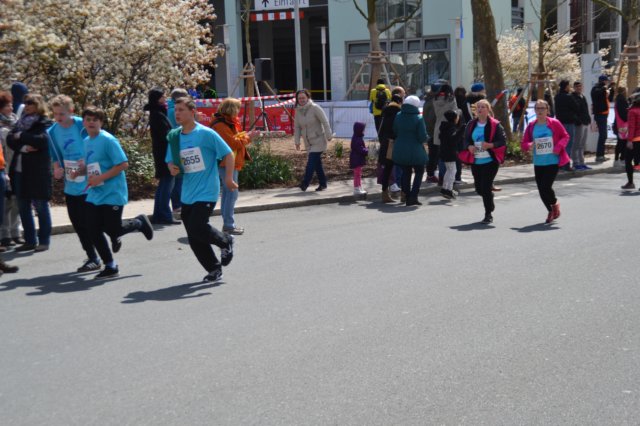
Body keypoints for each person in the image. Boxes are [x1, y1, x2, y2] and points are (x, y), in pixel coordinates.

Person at [73, 106, 154, 279]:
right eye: (88, 119)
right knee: (92, 228)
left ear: (101, 122)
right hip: (95, 192)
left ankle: (139, 223)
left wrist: (100, 177)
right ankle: (110, 265)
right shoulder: (86, 141)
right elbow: (91, 165)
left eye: (95, 119)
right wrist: (78, 172)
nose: (91, 122)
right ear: (84, 122)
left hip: (113, 192)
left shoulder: (108, 140)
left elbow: (123, 164)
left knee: (113, 228)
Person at [166, 97, 236, 283]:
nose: (177, 113)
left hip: (207, 190)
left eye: (181, 110)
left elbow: (228, 154)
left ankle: (225, 241)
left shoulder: (206, 134)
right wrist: (172, 167)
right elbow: (170, 160)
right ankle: (214, 269)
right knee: (193, 236)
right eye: (176, 110)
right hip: (187, 192)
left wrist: (228, 178)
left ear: (192, 112)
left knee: (198, 226)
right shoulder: (174, 136)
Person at [47, 95, 102, 272]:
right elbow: (55, 154)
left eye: (61, 114)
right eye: (55, 114)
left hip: (90, 181)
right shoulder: (52, 132)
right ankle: (92, 257)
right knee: (77, 223)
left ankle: (102, 253)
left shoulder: (81, 125)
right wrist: (57, 167)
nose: (58, 117)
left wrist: (87, 161)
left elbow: (97, 142)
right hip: (71, 183)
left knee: (92, 222)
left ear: (71, 111)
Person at [6, 94, 53, 252]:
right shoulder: (21, 121)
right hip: (20, 171)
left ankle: (44, 241)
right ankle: (30, 240)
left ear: (38, 105)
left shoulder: (44, 122)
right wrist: (23, 147)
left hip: (38, 172)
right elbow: (10, 139)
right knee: (23, 206)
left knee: (40, 206)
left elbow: (41, 140)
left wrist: (22, 136)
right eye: (25, 103)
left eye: (30, 103)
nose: (26, 106)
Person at [521, 100, 570, 224]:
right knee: (541, 189)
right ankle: (551, 210)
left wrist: (558, 147)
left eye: (542, 108)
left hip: (552, 160)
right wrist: (529, 145)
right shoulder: (531, 126)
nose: (540, 111)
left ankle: (554, 205)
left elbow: (565, 136)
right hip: (538, 162)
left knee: (545, 186)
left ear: (547, 110)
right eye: (537, 108)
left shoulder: (554, 123)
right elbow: (524, 143)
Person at [211, 97, 253, 235]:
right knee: (231, 193)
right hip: (227, 163)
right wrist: (249, 137)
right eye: (238, 108)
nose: (239, 111)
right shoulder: (221, 125)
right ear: (232, 109)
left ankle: (228, 223)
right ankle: (228, 225)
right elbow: (233, 143)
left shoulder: (227, 122)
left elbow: (235, 139)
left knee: (229, 193)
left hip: (229, 162)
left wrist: (244, 137)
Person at [463, 99, 506, 224]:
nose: (480, 109)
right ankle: (489, 197)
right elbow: (465, 139)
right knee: (479, 189)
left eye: (483, 107)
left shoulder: (495, 125)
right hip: (476, 161)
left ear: (488, 110)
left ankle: (488, 214)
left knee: (485, 188)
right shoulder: (471, 124)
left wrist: (490, 145)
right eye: (478, 107)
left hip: (490, 161)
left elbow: (502, 141)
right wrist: (469, 146)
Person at [145, 88, 179, 225]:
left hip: (161, 152)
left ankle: (159, 214)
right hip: (164, 153)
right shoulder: (158, 114)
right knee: (167, 184)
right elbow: (166, 135)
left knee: (164, 184)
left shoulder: (157, 113)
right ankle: (164, 214)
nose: (165, 98)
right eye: (162, 96)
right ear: (157, 98)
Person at [392, 95, 428, 206]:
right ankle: (414, 195)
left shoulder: (398, 116)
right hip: (416, 150)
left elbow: (395, 130)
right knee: (419, 171)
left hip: (400, 148)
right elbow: (422, 137)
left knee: (406, 172)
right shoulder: (419, 118)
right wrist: (427, 138)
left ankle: (407, 196)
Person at [294, 89, 333, 192]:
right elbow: (297, 127)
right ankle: (323, 183)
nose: (301, 100)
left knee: (311, 162)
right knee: (317, 164)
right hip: (308, 142)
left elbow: (325, 121)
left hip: (318, 140)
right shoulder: (297, 111)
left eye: (303, 97)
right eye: (299, 98)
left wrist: (329, 135)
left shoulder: (315, 108)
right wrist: (297, 142)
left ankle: (305, 183)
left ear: (308, 97)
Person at [0, 91, 23, 249]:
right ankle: (5, 234)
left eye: (11, 104)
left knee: (16, 201)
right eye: (7, 105)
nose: (11, 107)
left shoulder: (17, 122)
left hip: (18, 165)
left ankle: (16, 232)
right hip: (5, 166)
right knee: (6, 202)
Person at [378, 88, 404, 202]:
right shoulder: (399, 113)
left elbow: (381, 130)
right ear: (400, 102)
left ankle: (384, 193)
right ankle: (404, 194)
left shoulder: (385, 112)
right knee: (404, 167)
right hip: (396, 143)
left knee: (387, 169)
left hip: (386, 143)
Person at [167, 88, 189, 220]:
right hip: (177, 144)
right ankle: (177, 205)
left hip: (175, 144)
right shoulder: (174, 111)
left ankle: (177, 204)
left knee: (177, 178)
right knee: (178, 178)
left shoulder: (170, 109)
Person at [432, 84, 457, 186]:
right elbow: (455, 113)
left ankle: (441, 178)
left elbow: (438, 114)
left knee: (441, 155)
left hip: (439, 128)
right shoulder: (451, 100)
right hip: (449, 128)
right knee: (449, 155)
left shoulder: (435, 99)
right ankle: (448, 179)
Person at [554, 80, 579, 171]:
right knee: (568, 144)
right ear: (566, 87)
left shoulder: (557, 97)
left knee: (560, 143)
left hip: (559, 123)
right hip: (569, 122)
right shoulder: (569, 97)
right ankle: (566, 164)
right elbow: (576, 107)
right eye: (569, 86)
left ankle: (559, 163)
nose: (570, 87)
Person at [439, 109, 464, 200]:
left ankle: (445, 188)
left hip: (445, 152)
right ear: (453, 118)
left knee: (449, 171)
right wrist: (462, 130)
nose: (458, 118)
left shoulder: (445, 127)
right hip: (450, 153)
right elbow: (454, 140)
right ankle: (449, 189)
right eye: (457, 117)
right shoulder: (451, 128)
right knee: (453, 171)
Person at [621, 91, 640, 190]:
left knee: (628, 160)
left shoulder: (632, 111)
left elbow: (632, 127)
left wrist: (629, 140)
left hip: (635, 139)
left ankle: (630, 182)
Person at [572, 81, 592, 170]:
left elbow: (586, 109)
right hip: (579, 123)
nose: (579, 88)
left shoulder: (583, 96)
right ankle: (576, 163)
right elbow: (573, 111)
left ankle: (582, 162)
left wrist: (588, 119)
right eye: (577, 87)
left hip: (585, 122)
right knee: (577, 143)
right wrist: (578, 120)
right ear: (574, 88)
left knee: (582, 144)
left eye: (580, 86)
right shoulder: (572, 97)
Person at [591, 74, 611, 162]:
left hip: (604, 115)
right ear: (603, 81)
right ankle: (599, 155)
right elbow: (596, 94)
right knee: (603, 135)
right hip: (600, 115)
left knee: (603, 135)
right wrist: (604, 88)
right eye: (606, 81)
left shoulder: (602, 89)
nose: (607, 82)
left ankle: (601, 155)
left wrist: (608, 91)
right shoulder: (596, 88)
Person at [349, 121, 368, 195]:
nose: (364, 131)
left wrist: (366, 149)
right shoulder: (357, 139)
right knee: (357, 174)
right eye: (363, 129)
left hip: (358, 159)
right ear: (359, 130)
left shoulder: (358, 137)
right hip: (356, 159)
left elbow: (361, 147)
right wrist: (367, 151)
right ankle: (356, 188)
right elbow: (360, 149)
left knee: (359, 174)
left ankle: (359, 186)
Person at [614, 86, 629, 166]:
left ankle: (619, 158)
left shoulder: (619, 100)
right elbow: (623, 113)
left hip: (620, 124)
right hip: (622, 124)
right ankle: (620, 159)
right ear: (623, 91)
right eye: (626, 91)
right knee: (622, 142)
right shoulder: (621, 100)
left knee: (621, 142)